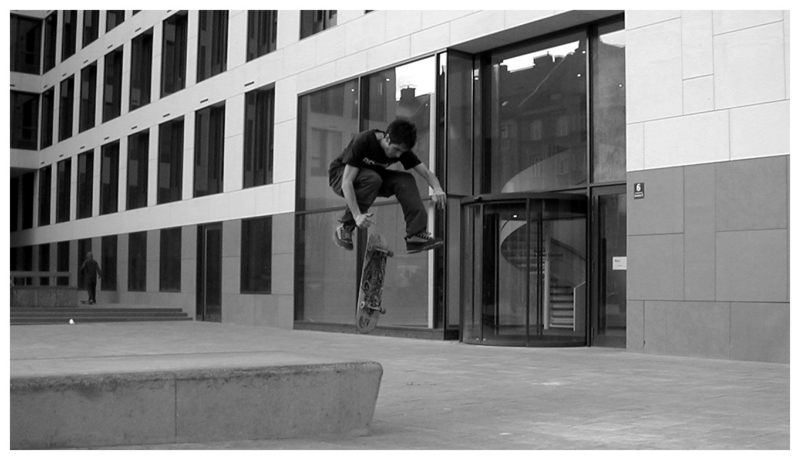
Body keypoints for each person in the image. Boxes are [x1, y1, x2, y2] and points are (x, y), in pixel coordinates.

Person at [329, 118, 446, 254]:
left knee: (405, 180)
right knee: (373, 179)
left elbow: (425, 172)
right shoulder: (364, 141)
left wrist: (437, 188)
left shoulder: (402, 151)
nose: (398, 155)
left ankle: (415, 235)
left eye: (401, 152)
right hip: (340, 176)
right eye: (396, 150)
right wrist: (356, 216)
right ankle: (345, 227)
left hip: (372, 179)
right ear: (387, 138)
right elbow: (346, 183)